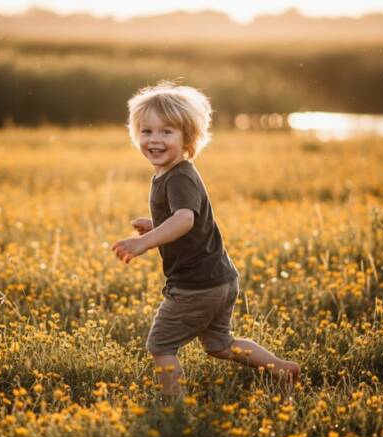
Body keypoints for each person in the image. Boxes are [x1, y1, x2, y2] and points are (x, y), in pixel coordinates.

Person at [110, 81, 300, 398]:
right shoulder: (171, 174)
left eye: (166, 132)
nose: (155, 139)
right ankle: (281, 369)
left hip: (196, 286)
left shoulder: (179, 176)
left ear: (188, 140)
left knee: (161, 344)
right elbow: (182, 220)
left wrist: (146, 242)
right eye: (146, 131)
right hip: (220, 280)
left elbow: (185, 219)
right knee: (221, 345)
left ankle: (174, 407)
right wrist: (155, 225)